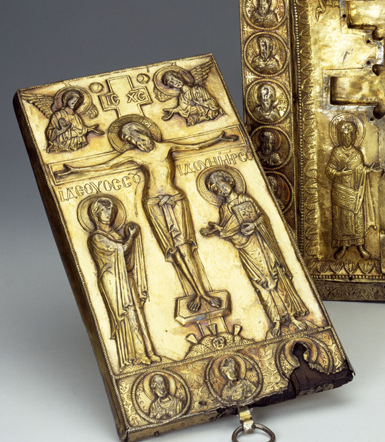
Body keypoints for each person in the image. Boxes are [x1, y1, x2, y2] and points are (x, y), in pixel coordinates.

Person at [57, 116, 237, 312]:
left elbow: (195, 145)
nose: (134, 143)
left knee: (185, 248)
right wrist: (74, 170)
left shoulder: (165, 147)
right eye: (129, 141)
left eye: (133, 138)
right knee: (174, 251)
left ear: (141, 132)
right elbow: (106, 165)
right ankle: (197, 293)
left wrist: (220, 138)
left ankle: (204, 294)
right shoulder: (135, 154)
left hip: (175, 200)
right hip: (153, 204)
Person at [200, 169, 308, 339]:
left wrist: (254, 225)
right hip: (247, 250)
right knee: (260, 284)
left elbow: (263, 219)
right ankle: (276, 320)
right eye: (217, 190)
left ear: (229, 180)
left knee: (276, 277)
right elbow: (229, 231)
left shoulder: (246, 199)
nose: (222, 190)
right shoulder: (224, 208)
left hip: (262, 244)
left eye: (222, 184)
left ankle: (293, 317)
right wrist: (217, 230)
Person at [86, 196, 160, 371]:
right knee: (127, 314)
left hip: (125, 276)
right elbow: (120, 251)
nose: (108, 214)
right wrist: (131, 237)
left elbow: (125, 258)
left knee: (137, 313)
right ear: (96, 214)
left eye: (110, 211)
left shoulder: (114, 235)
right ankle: (135, 356)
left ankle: (148, 352)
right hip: (112, 280)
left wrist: (131, 240)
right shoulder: (97, 238)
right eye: (104, 211)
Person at [325, 119, 381, 260]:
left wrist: (368, 170)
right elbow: (329, 170)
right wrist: (340, 173)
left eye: (349, 135)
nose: (347, 138)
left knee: (357, 219)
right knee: (341, 220)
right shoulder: (336, 152)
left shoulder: (357, 153)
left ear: (354, 136)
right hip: (340, 191)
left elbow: (360, 170)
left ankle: (360, 246)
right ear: (339, 136)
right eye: (344, 135)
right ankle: (343, 247)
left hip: (355, 193)